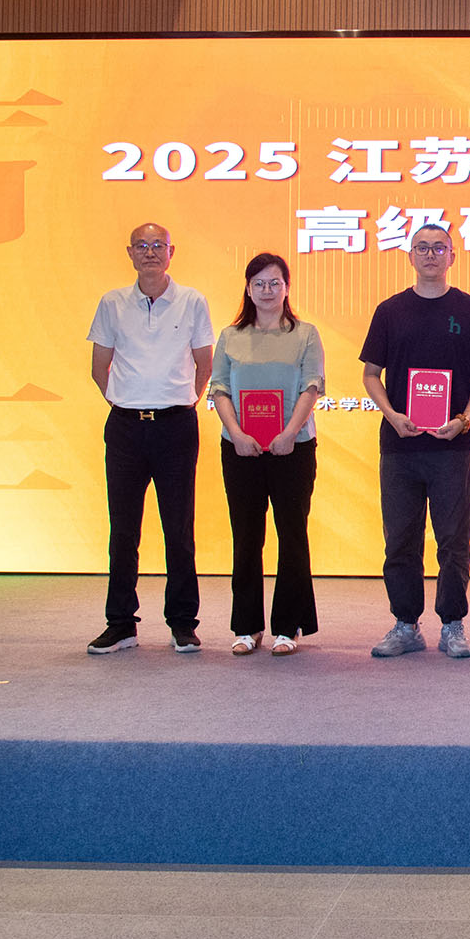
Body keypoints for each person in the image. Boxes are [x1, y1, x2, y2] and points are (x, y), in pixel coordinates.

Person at [359, 223, 470, 659]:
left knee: (453, 540)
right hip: (400, 445)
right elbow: (370, 374)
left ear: (452, 256)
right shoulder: (390, 311)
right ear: (410, 256)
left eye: (439, 248)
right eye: (422, 247)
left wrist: (465, 419)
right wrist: (392, 415)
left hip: (453, 445)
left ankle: (453, 624)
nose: (431, 254)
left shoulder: (469, 309)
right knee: (400, 539)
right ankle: (406, 623)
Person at [86, 222, 215, 654]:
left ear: (171, 251)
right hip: (125, 428)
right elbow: (99, 366)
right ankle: (121, 623)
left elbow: (204, 364)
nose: (150, 252)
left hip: (176, 426)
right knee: (123, 530)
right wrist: (128, 401)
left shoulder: (192, 301)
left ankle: (183, 622)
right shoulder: (112, 303)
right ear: (130, 253)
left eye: (158, 245)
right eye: (141, 245)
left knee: (178, 528)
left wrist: (177, 402)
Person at [208, 253, 324, 657]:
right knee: (246, 537)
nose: (267, 290)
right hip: (240, 449)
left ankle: (287, 627)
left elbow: (312, 386)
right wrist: (237, 434)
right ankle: (246, 626)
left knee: (292, 535)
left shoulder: (305, 334)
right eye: (259, 283)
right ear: (248, 288)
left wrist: (289, 433)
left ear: (287, 287)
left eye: (275, 282)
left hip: (293, 448)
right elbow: (219, 388)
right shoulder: (230, 335)